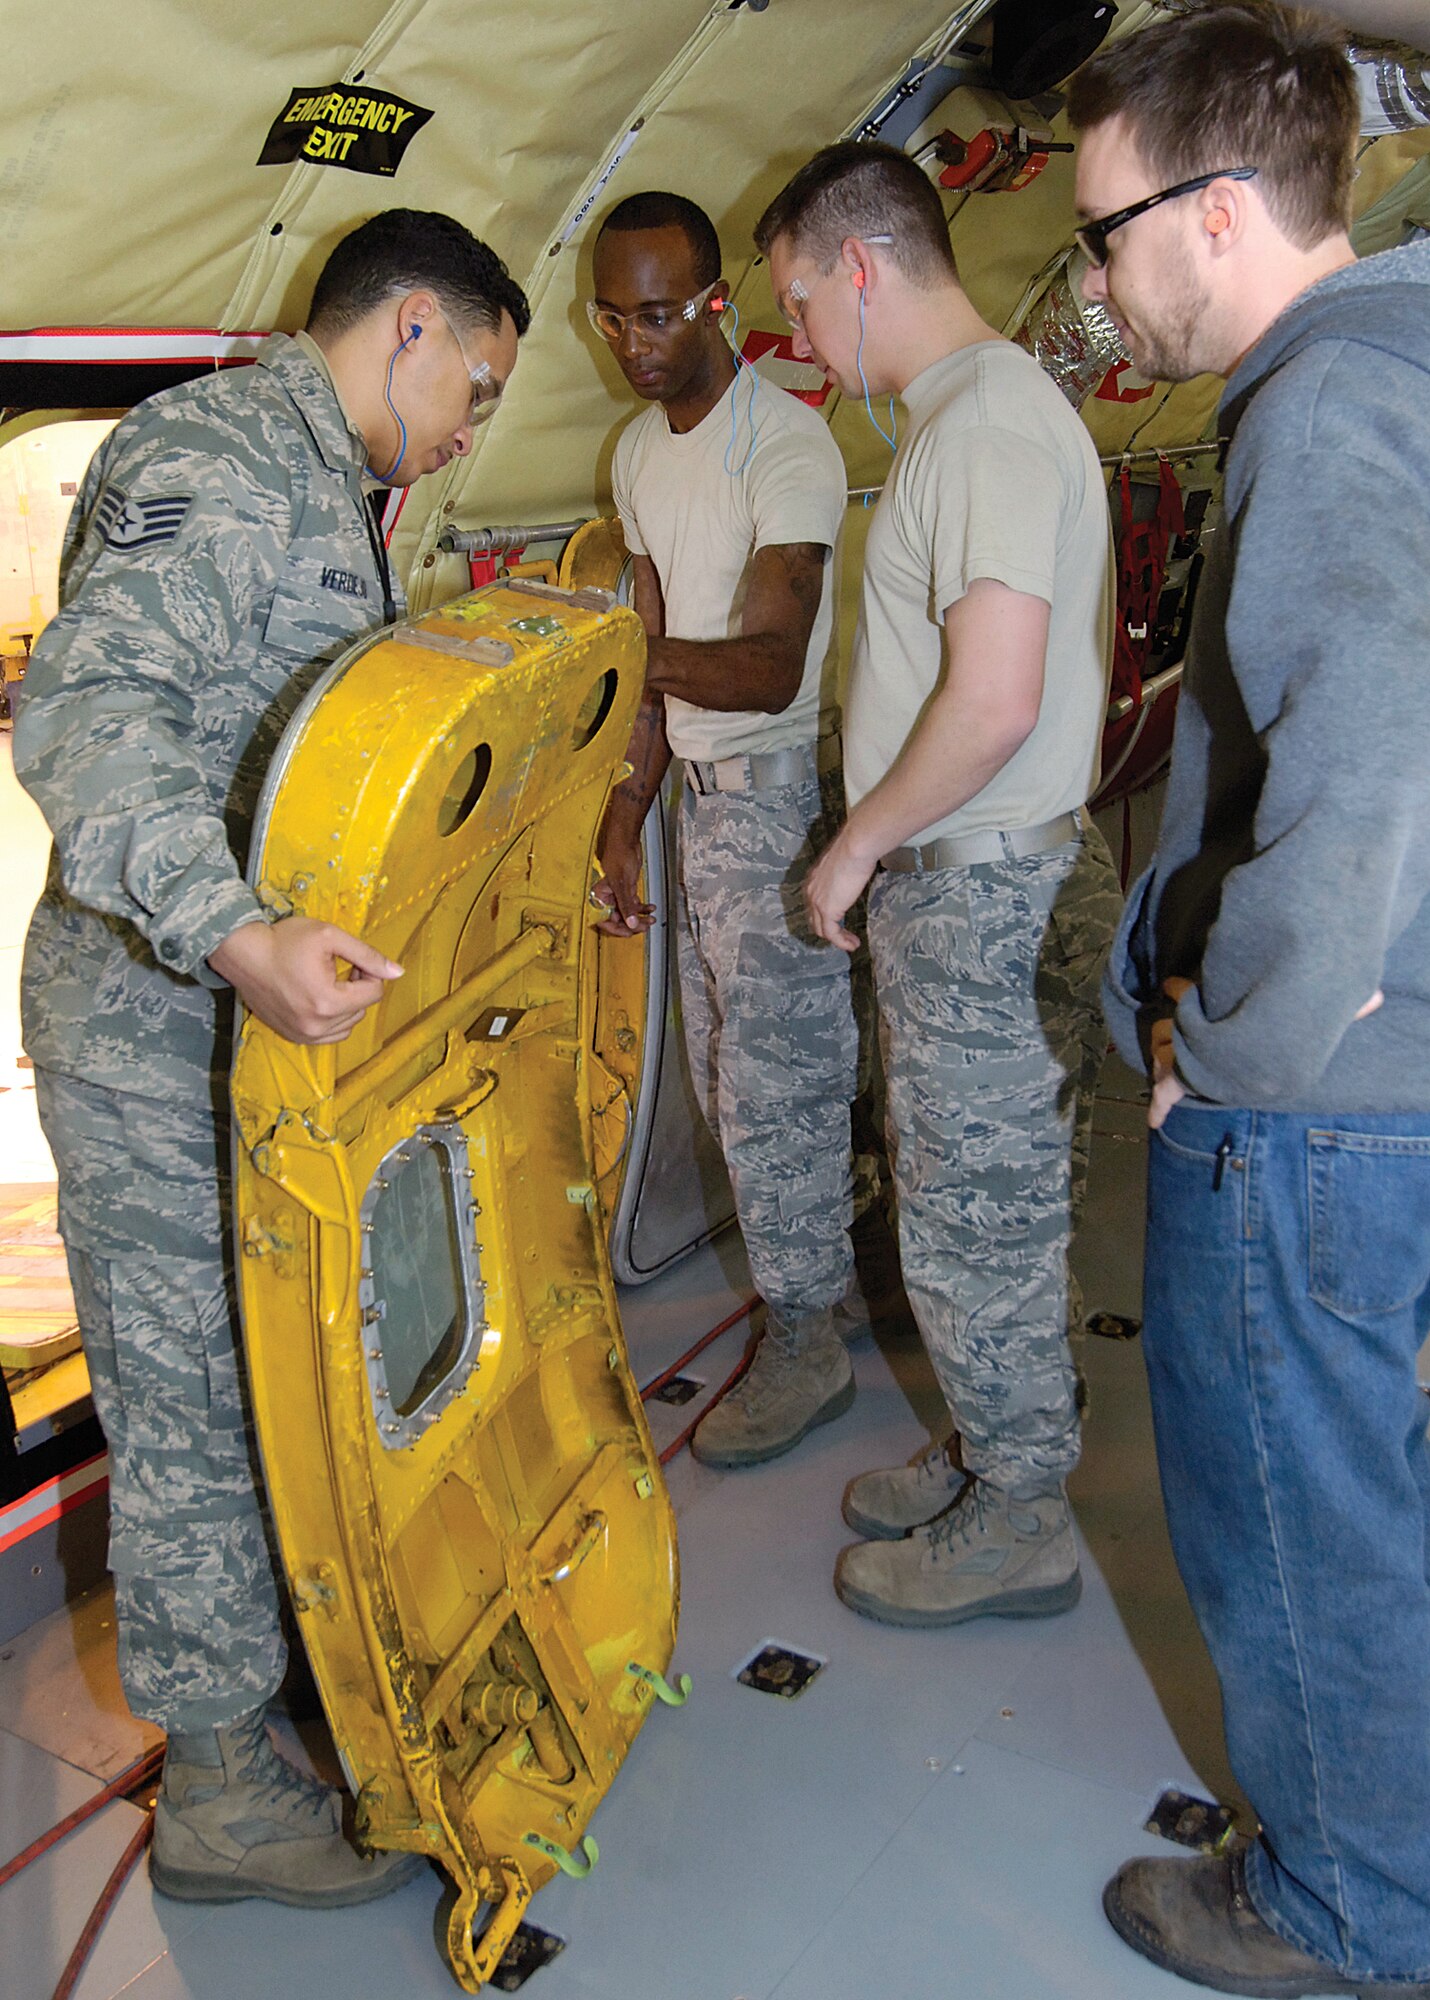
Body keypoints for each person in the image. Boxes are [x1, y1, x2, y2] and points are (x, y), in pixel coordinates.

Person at [13, 208, 529, 1907]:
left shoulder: (334, 486)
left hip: (248, 1026)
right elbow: (84, 715)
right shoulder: (218, 454)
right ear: (408, 325)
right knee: (192, 1404)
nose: (475, 427)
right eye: (479, 382)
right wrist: (237, 933)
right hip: (150, 1017)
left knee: (281, 1372)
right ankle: (225, 1794)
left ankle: (280, 1681)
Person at [1069, 7, 1430, 1994]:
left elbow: (1362, 774)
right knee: (1385, 1489)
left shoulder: (1328, 411)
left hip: (1332, 1096)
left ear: (1211, 213)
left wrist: (1226, 1057)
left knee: (1302, 1523)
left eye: (1109, 234)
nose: (1102, 284)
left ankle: (1349, 1909)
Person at [755, 142, 1121, 1627]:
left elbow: (992, 701)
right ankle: (990, 1448)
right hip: (975, 880)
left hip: (974, 887)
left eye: (795, 300)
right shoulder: (973, 420)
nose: (798, 339)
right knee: (973, 1204)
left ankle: (1020, 1511)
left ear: (857, 268)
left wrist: (848, 844)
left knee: (976, 1217)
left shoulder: (978, 427)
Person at [589, 190, 862, 1468]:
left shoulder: (787, 446)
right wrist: (625, 808)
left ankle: (808, 1339)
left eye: (657, 312)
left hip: (771, 799)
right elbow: (654, 672)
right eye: (611, 318)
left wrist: (614, 655)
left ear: (717, 306)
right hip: (695, 813)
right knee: (725, 1080)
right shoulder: (636, 458)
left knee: (774, 1092)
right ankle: (822, 1288)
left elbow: (761, 664)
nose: (634, 342)